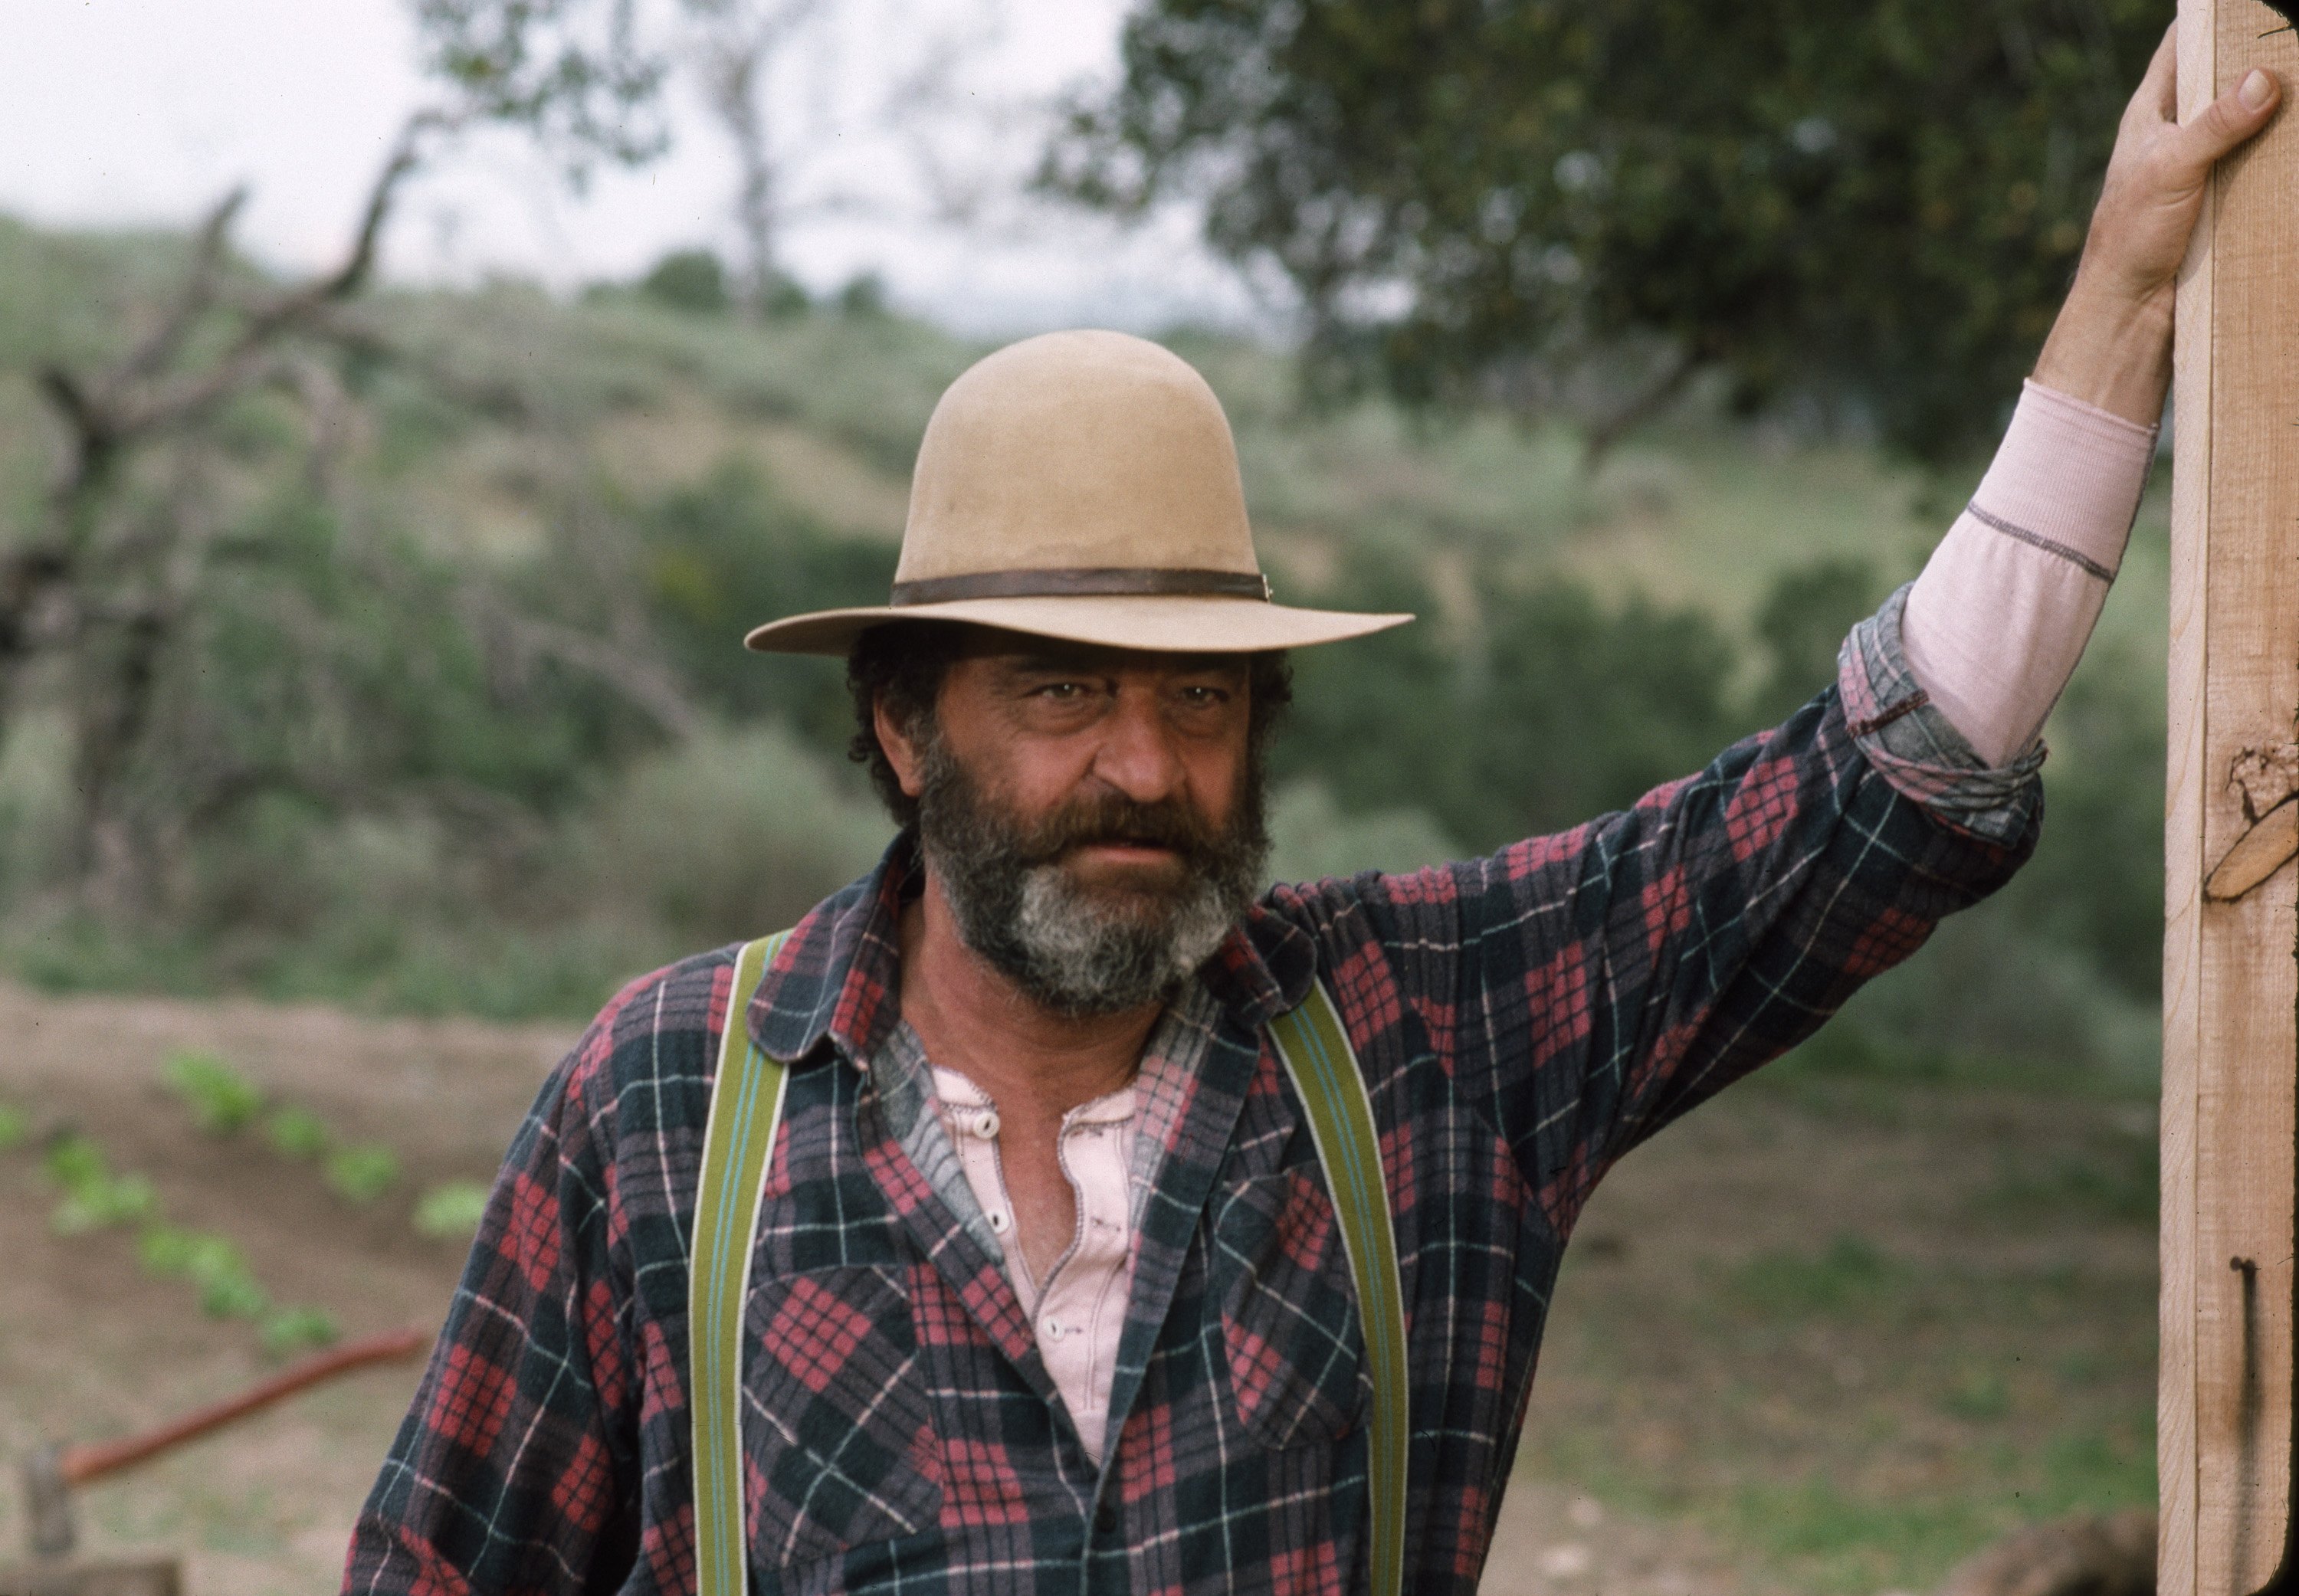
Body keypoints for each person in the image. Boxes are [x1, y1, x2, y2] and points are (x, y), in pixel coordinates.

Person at [344, 35, 2279, 1596]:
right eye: (1060, 690)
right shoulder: (666, 1103)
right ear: (903, 727)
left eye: (1200, 696)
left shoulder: (1425, 1039)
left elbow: (1886, 772)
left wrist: (2124, 286)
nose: (1145, 764)